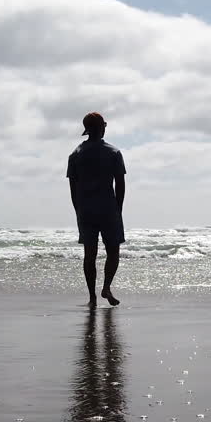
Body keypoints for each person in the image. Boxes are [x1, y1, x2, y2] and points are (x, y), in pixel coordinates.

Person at [66, 112, 126, 306]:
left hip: (86, 210)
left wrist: (78, 210)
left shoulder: (75, 154)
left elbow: (73, 188)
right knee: (113, 251)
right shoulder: (113, 152)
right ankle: (106, 287)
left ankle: (92, 297)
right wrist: (118, 208)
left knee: (89, 254)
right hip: (108, 208)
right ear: (101, 128)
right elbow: (120, 184)